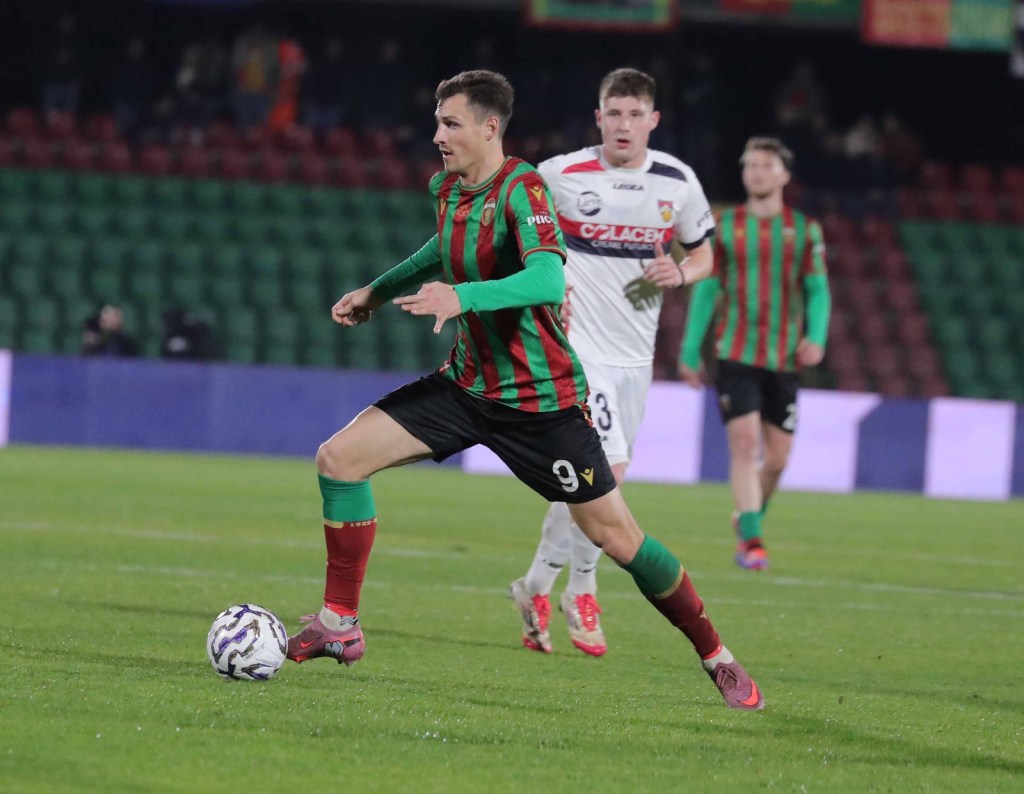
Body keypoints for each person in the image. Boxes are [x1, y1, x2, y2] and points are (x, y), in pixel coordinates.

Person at [286, 69, 763, 710]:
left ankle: (716, 654)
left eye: (450, 124)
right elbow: (442, 248)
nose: (437, 136)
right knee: (338, 460)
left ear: (489, 127)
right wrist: (376, 289)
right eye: (436, 122)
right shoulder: (450, 188)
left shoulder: (525, 187)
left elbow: (546, 281)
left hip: (542, 404)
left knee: (618, 538)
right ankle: (340, 626)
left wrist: (463, 296)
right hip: (466, 388)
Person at [509, 67, 714, 658]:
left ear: (652, 120)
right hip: (578, 354)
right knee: (610, 474)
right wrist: (543, 279)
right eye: (613, 113)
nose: (624, 125)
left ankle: (533, 588)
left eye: (635, 114)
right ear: (598, 118)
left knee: (579, 481)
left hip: (636, 361)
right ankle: (583, 588)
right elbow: (514, 229)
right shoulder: (561, 175)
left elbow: (704, 257)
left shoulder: (678, 182)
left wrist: (681, 271)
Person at [678, 137, 831, 571]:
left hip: (783, 358)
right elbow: (707, 289)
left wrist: (816, 335)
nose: (756, 173)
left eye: (766, 166)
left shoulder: (805, 230)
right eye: (750, 166)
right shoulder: (724, 226)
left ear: (784, 174)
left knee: (778, 458)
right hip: (735, 352)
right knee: (745, 446)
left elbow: (818, 289)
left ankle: (747, 518)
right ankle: (752, 542)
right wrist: (692, 350)